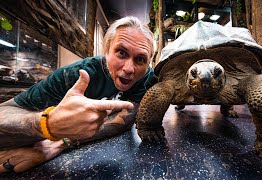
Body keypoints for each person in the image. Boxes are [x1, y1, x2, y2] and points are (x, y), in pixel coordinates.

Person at [0, 16, 155, 173]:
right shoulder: (74, 75)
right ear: (107, 50)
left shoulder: (145, 76)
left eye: (140, 59)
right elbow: (5, 111)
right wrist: (48, 124)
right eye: (121, 53)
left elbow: (125, 118)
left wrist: (61, 142)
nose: (129, 68)